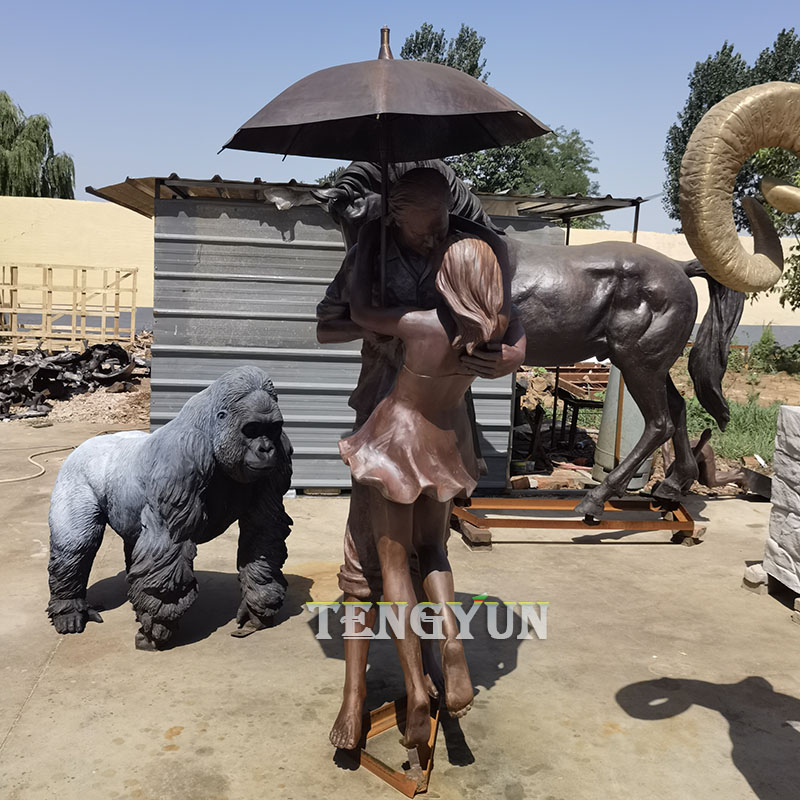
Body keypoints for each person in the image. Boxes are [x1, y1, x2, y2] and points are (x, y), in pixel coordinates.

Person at [316, 168, 525, 750]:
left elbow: (516, 325)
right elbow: (329, 324)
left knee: (392, 560)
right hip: (393, 412)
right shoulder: (373, 249)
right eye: (424, 226)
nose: (436, 237)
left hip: (413, 432)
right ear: (396, 213)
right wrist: (363, 260)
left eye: (442, 225)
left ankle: (419, 680)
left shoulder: (461, 246)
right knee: (369, 568)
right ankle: (359, 696)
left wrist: (506, 357)